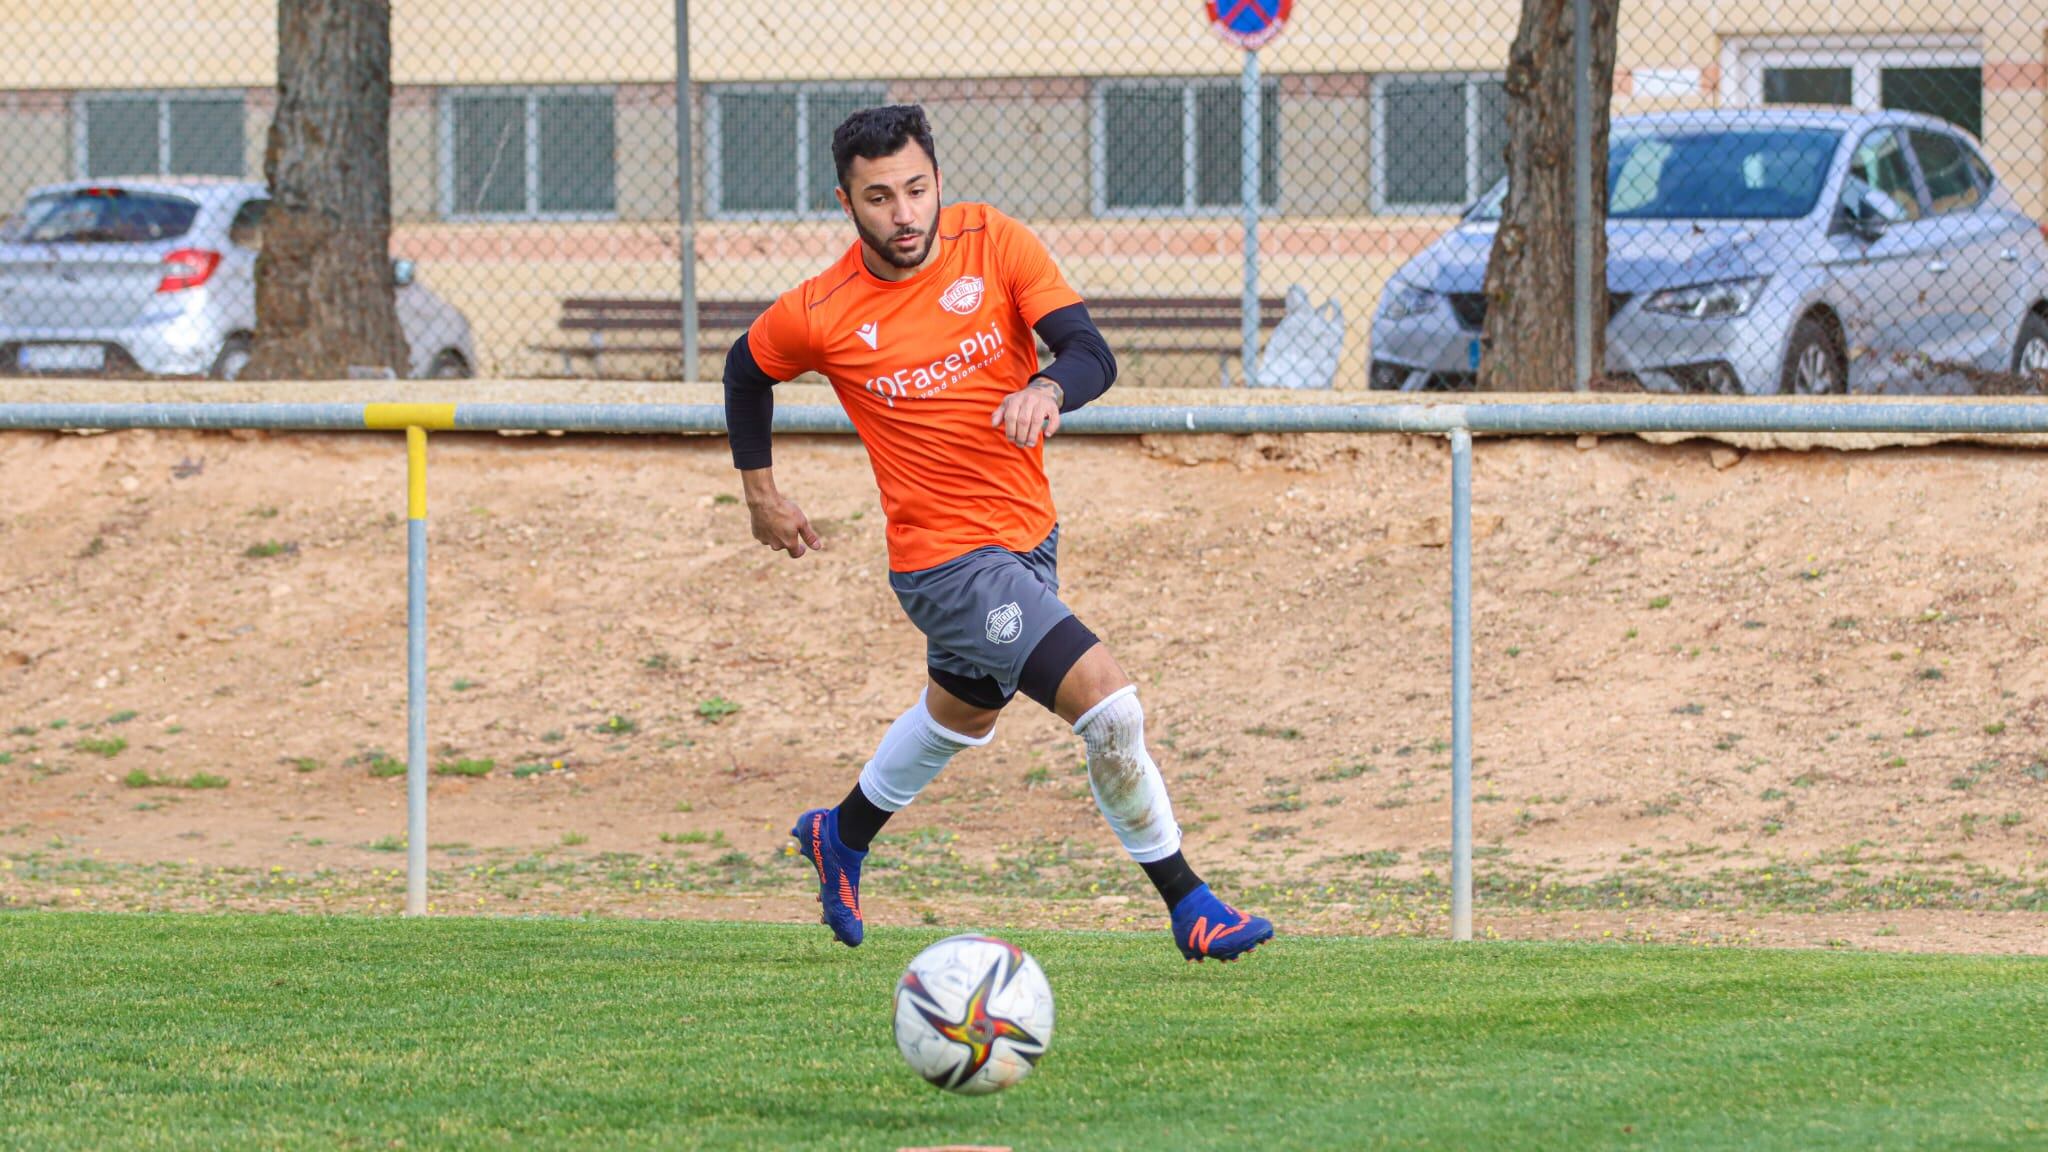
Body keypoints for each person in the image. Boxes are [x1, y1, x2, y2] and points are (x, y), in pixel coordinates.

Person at [723, 104, 1272, 963]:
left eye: (916, 188)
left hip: (1027, 540)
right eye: (879, 198)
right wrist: (760, 492)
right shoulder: (824, 310)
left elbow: (1090, 351)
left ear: (938, 179)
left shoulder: (996, 243)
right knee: (1110, 705)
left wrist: (1050, 389)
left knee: (963, 714)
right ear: (846, 203)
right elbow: (745, 368)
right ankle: (1191, 904)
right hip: (946, 566)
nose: (903, 214)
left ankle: (842, 833)